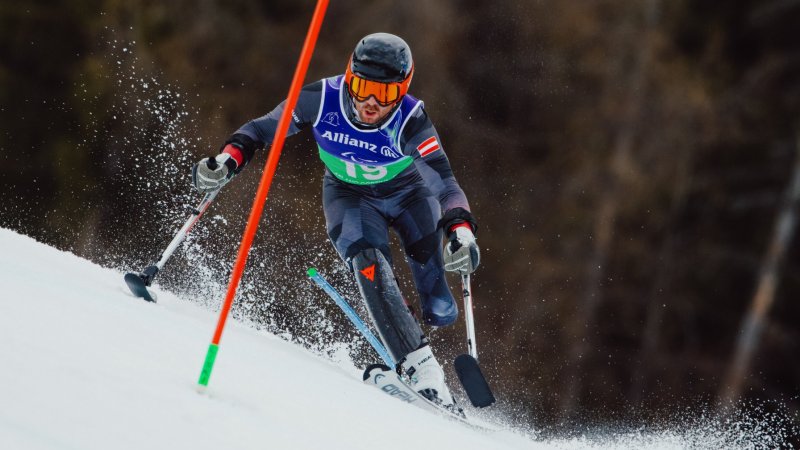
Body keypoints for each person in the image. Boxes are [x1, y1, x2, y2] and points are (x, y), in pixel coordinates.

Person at [192, 33, 480, 409]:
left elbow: (443, 182)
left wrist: (461, 230)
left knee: (440, 308)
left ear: (402, 90)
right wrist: (228, 159)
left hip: (410, 197)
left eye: (385, 93)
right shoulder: (322, 98)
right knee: (370, 266)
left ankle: (409, 317)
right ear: (349, 76)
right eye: (362, 87)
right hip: (350, 197)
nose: (370, 102)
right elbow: (264, 129)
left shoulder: (411, 119)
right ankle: (424, 372)